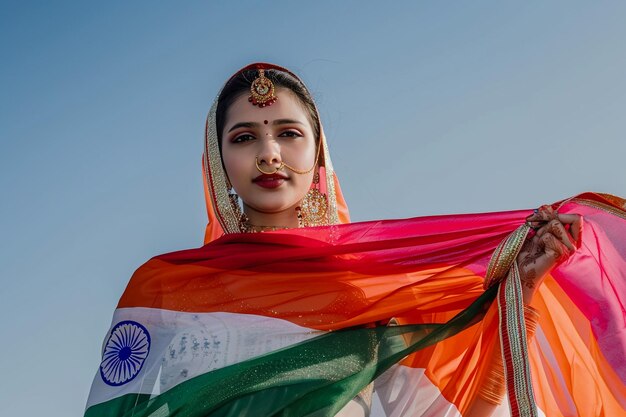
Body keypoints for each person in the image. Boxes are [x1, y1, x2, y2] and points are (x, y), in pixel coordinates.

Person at [84, 63, 626, 417]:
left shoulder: (366, 292)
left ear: (317, 156)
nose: (269, 153)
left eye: (288, 134)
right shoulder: (168, 289)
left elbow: (443, 412)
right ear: (220, 162)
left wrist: (519, 294)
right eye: (245, 137)